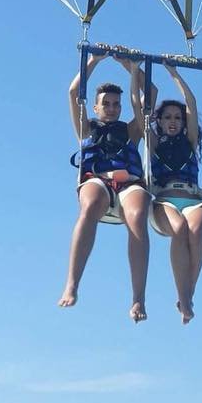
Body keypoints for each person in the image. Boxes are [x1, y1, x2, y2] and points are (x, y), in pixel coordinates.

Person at [58, 52, 150, 322]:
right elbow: (74, 91)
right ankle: (72, 284)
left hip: (128, 184)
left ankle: (138, 298)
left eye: (116, 104)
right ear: (96, 108)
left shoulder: (131, 131)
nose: (111, 108)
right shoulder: (87, 129)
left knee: (137, 215)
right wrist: (93, 61)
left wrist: (132, 68)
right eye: (106, 104)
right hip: (97, 180)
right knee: (90, 205)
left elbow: (151, 96)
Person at [148, 64, 202, 325]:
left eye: (177, 118)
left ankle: (187, 296)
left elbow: (192, 103)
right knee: (180, 229)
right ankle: (184, 297)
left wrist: (173, 73)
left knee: (195, 232)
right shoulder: (153, 142)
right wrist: (134, 72)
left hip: (193, 199)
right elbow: (140, 114)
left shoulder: (191, 141)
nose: (173, 122)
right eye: (167, 118)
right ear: (159, 121)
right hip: (164, 199)